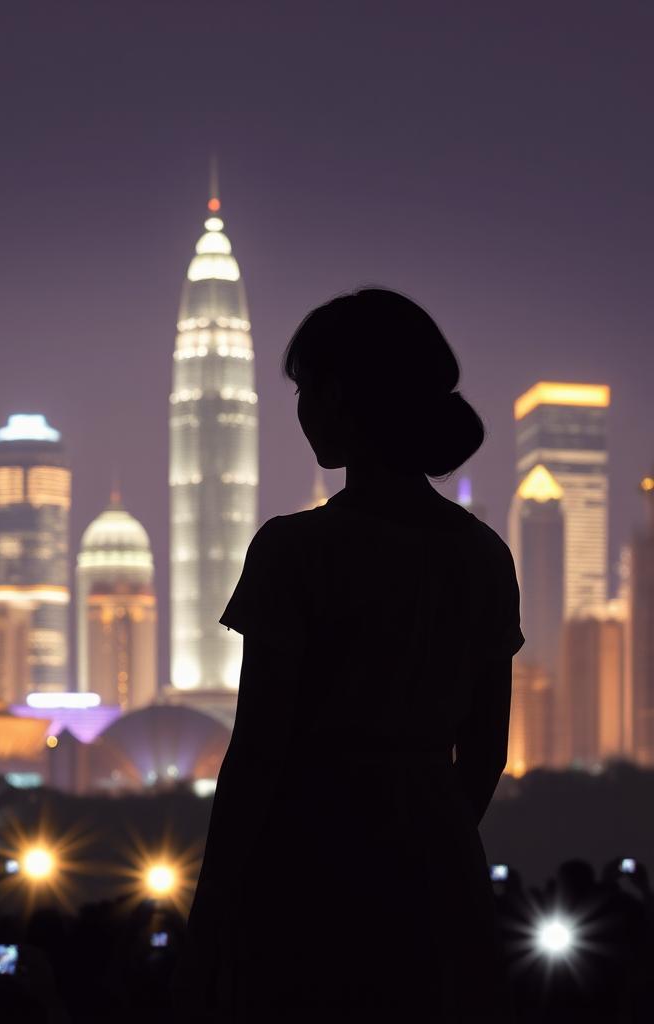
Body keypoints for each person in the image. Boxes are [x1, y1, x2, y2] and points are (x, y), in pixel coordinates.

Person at [174, 289, 523, 1022]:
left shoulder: (296, 549)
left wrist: (209, 921)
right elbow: (485, 752)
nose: (301, 409)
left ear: (339, 396)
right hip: (442, 878)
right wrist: (428, 841)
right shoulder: (485, 556)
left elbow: (259, 753)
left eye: (305, 389)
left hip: (310, 869)